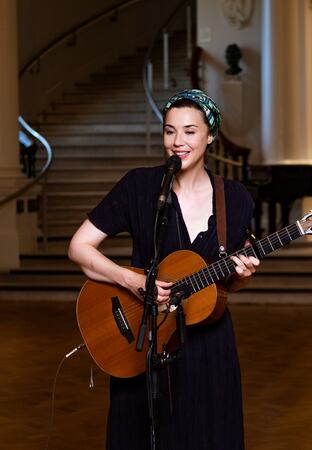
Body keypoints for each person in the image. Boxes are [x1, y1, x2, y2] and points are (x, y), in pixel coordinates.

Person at [68, 89, 259, 449]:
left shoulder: (234, 197)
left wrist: (240, 276)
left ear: (210, 135)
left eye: (190, 131)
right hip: (143, 338)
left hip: (208, 348)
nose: (178, 142)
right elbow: (79, 246)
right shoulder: (139, 187)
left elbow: (227, 285)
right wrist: (132, 279)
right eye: (169, 131)